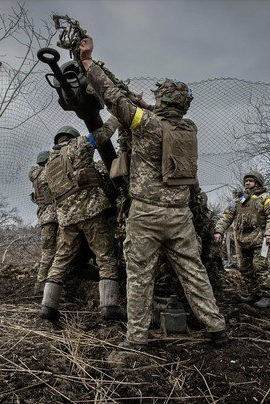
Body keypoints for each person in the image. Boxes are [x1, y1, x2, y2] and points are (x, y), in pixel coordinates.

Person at [79, 36, 227, 348]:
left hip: (145, 214)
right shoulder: (189, 129)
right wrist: (149, 106)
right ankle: (216, 328)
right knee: (193, 272)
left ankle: (137, 338)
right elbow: (157, 118)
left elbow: (113, 99)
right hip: (180, 215)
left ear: (161, 102)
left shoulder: (145, 123)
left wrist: (89, 63)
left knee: (139, 277)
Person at [40, 123, 125, 322]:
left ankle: (47, 306)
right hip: (90, 213)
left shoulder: (50, 162)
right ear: (72, 137)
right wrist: (118, 114)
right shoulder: (79, 144)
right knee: (105, 257)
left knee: (60, 260)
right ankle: (109, 306)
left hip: (66, 219)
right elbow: (103, 134)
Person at [213, 172, 270, 308]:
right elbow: (227, 215)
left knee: (260, 267)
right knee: (245, 268)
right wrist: (219, 231)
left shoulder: (265, 197)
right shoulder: (239, 199)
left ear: (257, 182)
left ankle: (269, 296)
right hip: (243, 240)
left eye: (250, 180)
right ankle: (254, 294)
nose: (247, 183)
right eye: (246, 181)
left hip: (261, 240)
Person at [29, 151, 58, 290]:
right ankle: (41, 284)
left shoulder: (36, 175)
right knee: (50, 252)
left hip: (44, 217)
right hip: (52, 216)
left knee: (48, 251)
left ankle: (42, 283)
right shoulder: (46, 174)